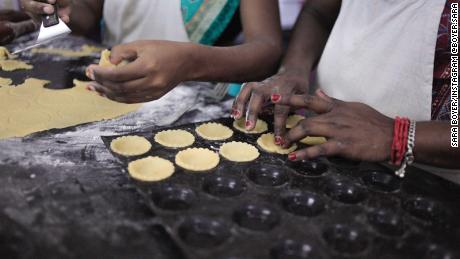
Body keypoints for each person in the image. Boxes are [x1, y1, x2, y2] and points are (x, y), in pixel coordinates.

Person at [233, 0, 460, 182]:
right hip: (326, 155)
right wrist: (293, 68)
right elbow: (320, 12)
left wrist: (397, 135)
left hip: (426, 184)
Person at [20, 0, 283, 103]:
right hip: (109, 93)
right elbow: (87, 14)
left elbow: (268, 50)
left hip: (193, 108)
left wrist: (190, 64)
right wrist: (51, 12)